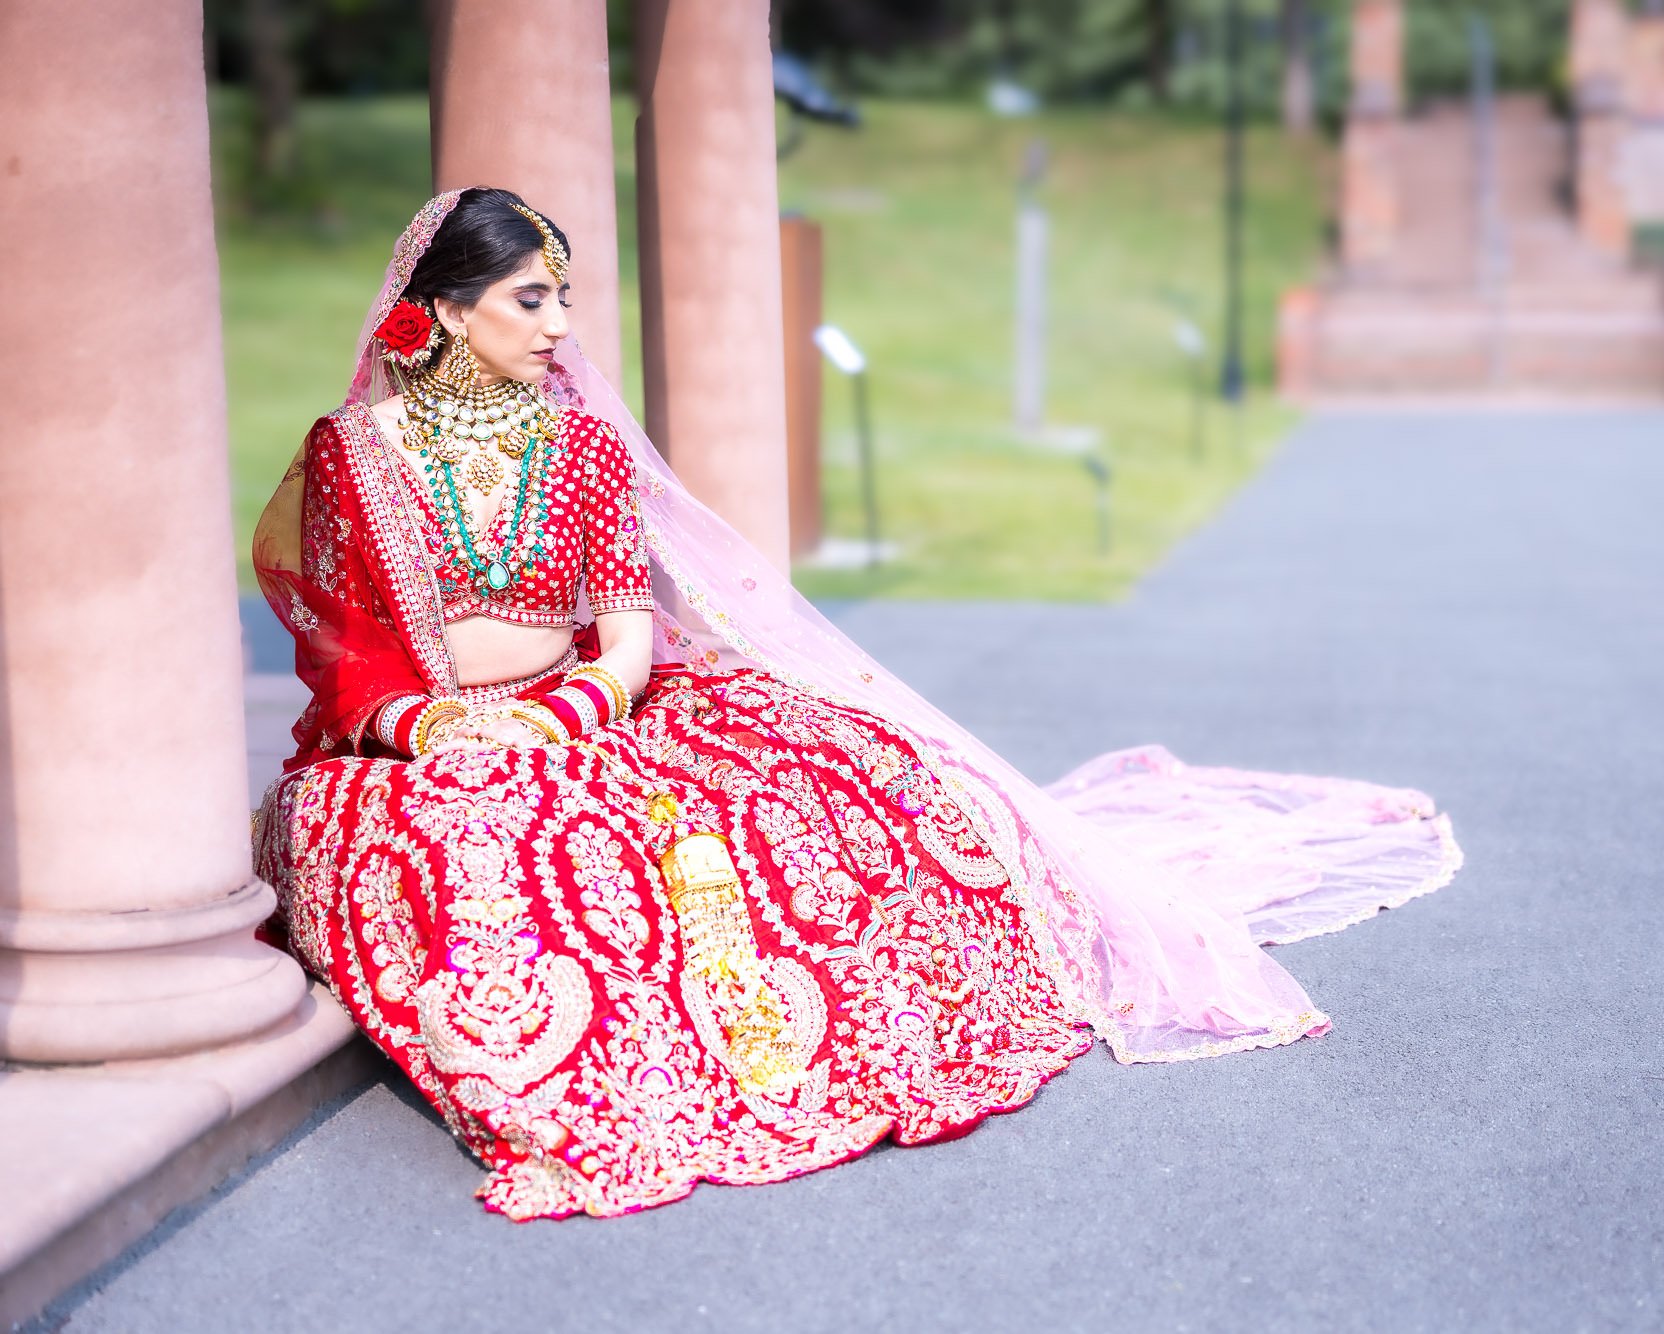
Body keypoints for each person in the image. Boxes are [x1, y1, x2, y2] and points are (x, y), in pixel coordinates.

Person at [252, 188, 1462, 1221]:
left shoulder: (580, 447)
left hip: (581, 710)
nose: (561, 325)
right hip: (407, 744)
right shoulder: (357, 450)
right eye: (531, 298)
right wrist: (447, 727)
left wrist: (556, 718)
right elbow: (344, 655)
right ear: (447, 308)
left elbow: (623, 641)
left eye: (564, 295)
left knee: (834, 778)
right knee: (488, 848)